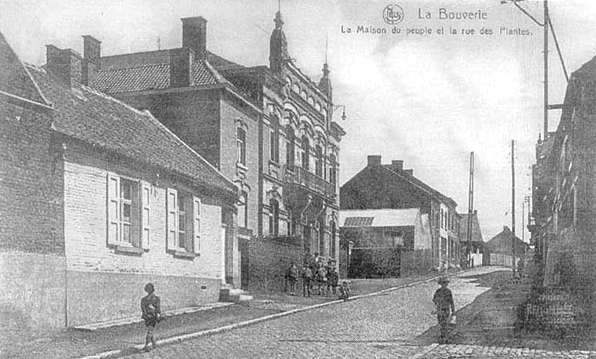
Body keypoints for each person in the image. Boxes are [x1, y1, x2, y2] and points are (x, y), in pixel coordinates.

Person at [432, 277, 455, 344]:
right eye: (443, 283)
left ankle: (445, 337)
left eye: (446, 283)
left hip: (446, 309)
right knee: (441, 323)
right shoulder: (438, 291)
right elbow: (434, 300)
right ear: (441, 284)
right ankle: (443, 337)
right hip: (440, 309)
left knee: (445, 323)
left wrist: (453, 311)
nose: (444, 284)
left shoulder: (448, 291)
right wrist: (437, 303)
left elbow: (451, 301)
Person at [141, 283, 161, 352]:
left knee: (150, 330)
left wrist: (157, 314)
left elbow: (158, 309)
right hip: (149, 317)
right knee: (150, 331)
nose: (149, 291)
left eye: (150, 289)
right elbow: (143, 309)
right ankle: (154, 344)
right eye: (148, 289)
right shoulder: (144, 299)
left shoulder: (155, 299)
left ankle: (147, 346)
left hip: (152, 317)